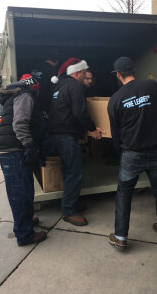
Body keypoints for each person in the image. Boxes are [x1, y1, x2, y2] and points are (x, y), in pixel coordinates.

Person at [108, 56, 157, 251]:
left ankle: (120, 237)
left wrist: (120, 152)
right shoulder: (151, 86)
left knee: (124, 193)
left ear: (118, 75)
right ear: (134, 70)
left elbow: (115, 134)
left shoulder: (115, 99)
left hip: (132, 153)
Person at [49, 58, 105, 226]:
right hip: (66, 136)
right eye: (82, 73)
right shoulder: (74, 86)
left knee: (68, 171)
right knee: (75, 172)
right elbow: (80, 112)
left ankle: (71, 202)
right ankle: (69, 211)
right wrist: (93, 128)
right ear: (76, 72)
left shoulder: (60, 86)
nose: (84, 77)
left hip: (57, 134)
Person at [0, 74, 47, 246]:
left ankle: (27, 221)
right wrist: (29, 145)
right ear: (35, 88)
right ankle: (25, 235)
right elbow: (20, 124)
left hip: (14, 150)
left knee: (26, 189)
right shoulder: (25, 95)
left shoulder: (18, 95)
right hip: (14, 151)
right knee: (19, 194)